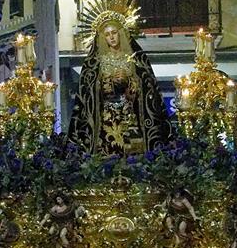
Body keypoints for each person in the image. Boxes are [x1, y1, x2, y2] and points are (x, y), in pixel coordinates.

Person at [67, 12, 172, 155]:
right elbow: (87, 94)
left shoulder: (135, 60)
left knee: (134, 156)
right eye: (107, 34)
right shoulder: (94, 64)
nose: (111, 37)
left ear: (121, 34)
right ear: (103, 38)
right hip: (106, 121)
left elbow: (148, 89)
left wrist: (129, 81)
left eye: (114, 33)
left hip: (130, 119)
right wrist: (108, 82)